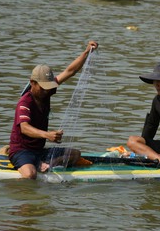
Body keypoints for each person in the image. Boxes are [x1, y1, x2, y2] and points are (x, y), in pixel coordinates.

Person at [9, 40, 99, 179]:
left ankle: (45, 164)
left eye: (48, 86)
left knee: (74, 154)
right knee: (30, 175)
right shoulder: (25, 102)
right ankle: (37, 166)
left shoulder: (46, 90)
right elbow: (24, 128)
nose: (47, 90)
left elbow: (70, 71)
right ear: (32, 83)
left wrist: (86, 52)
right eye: (43, 87)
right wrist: (47, 135)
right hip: (22, 151)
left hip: (39, 151)